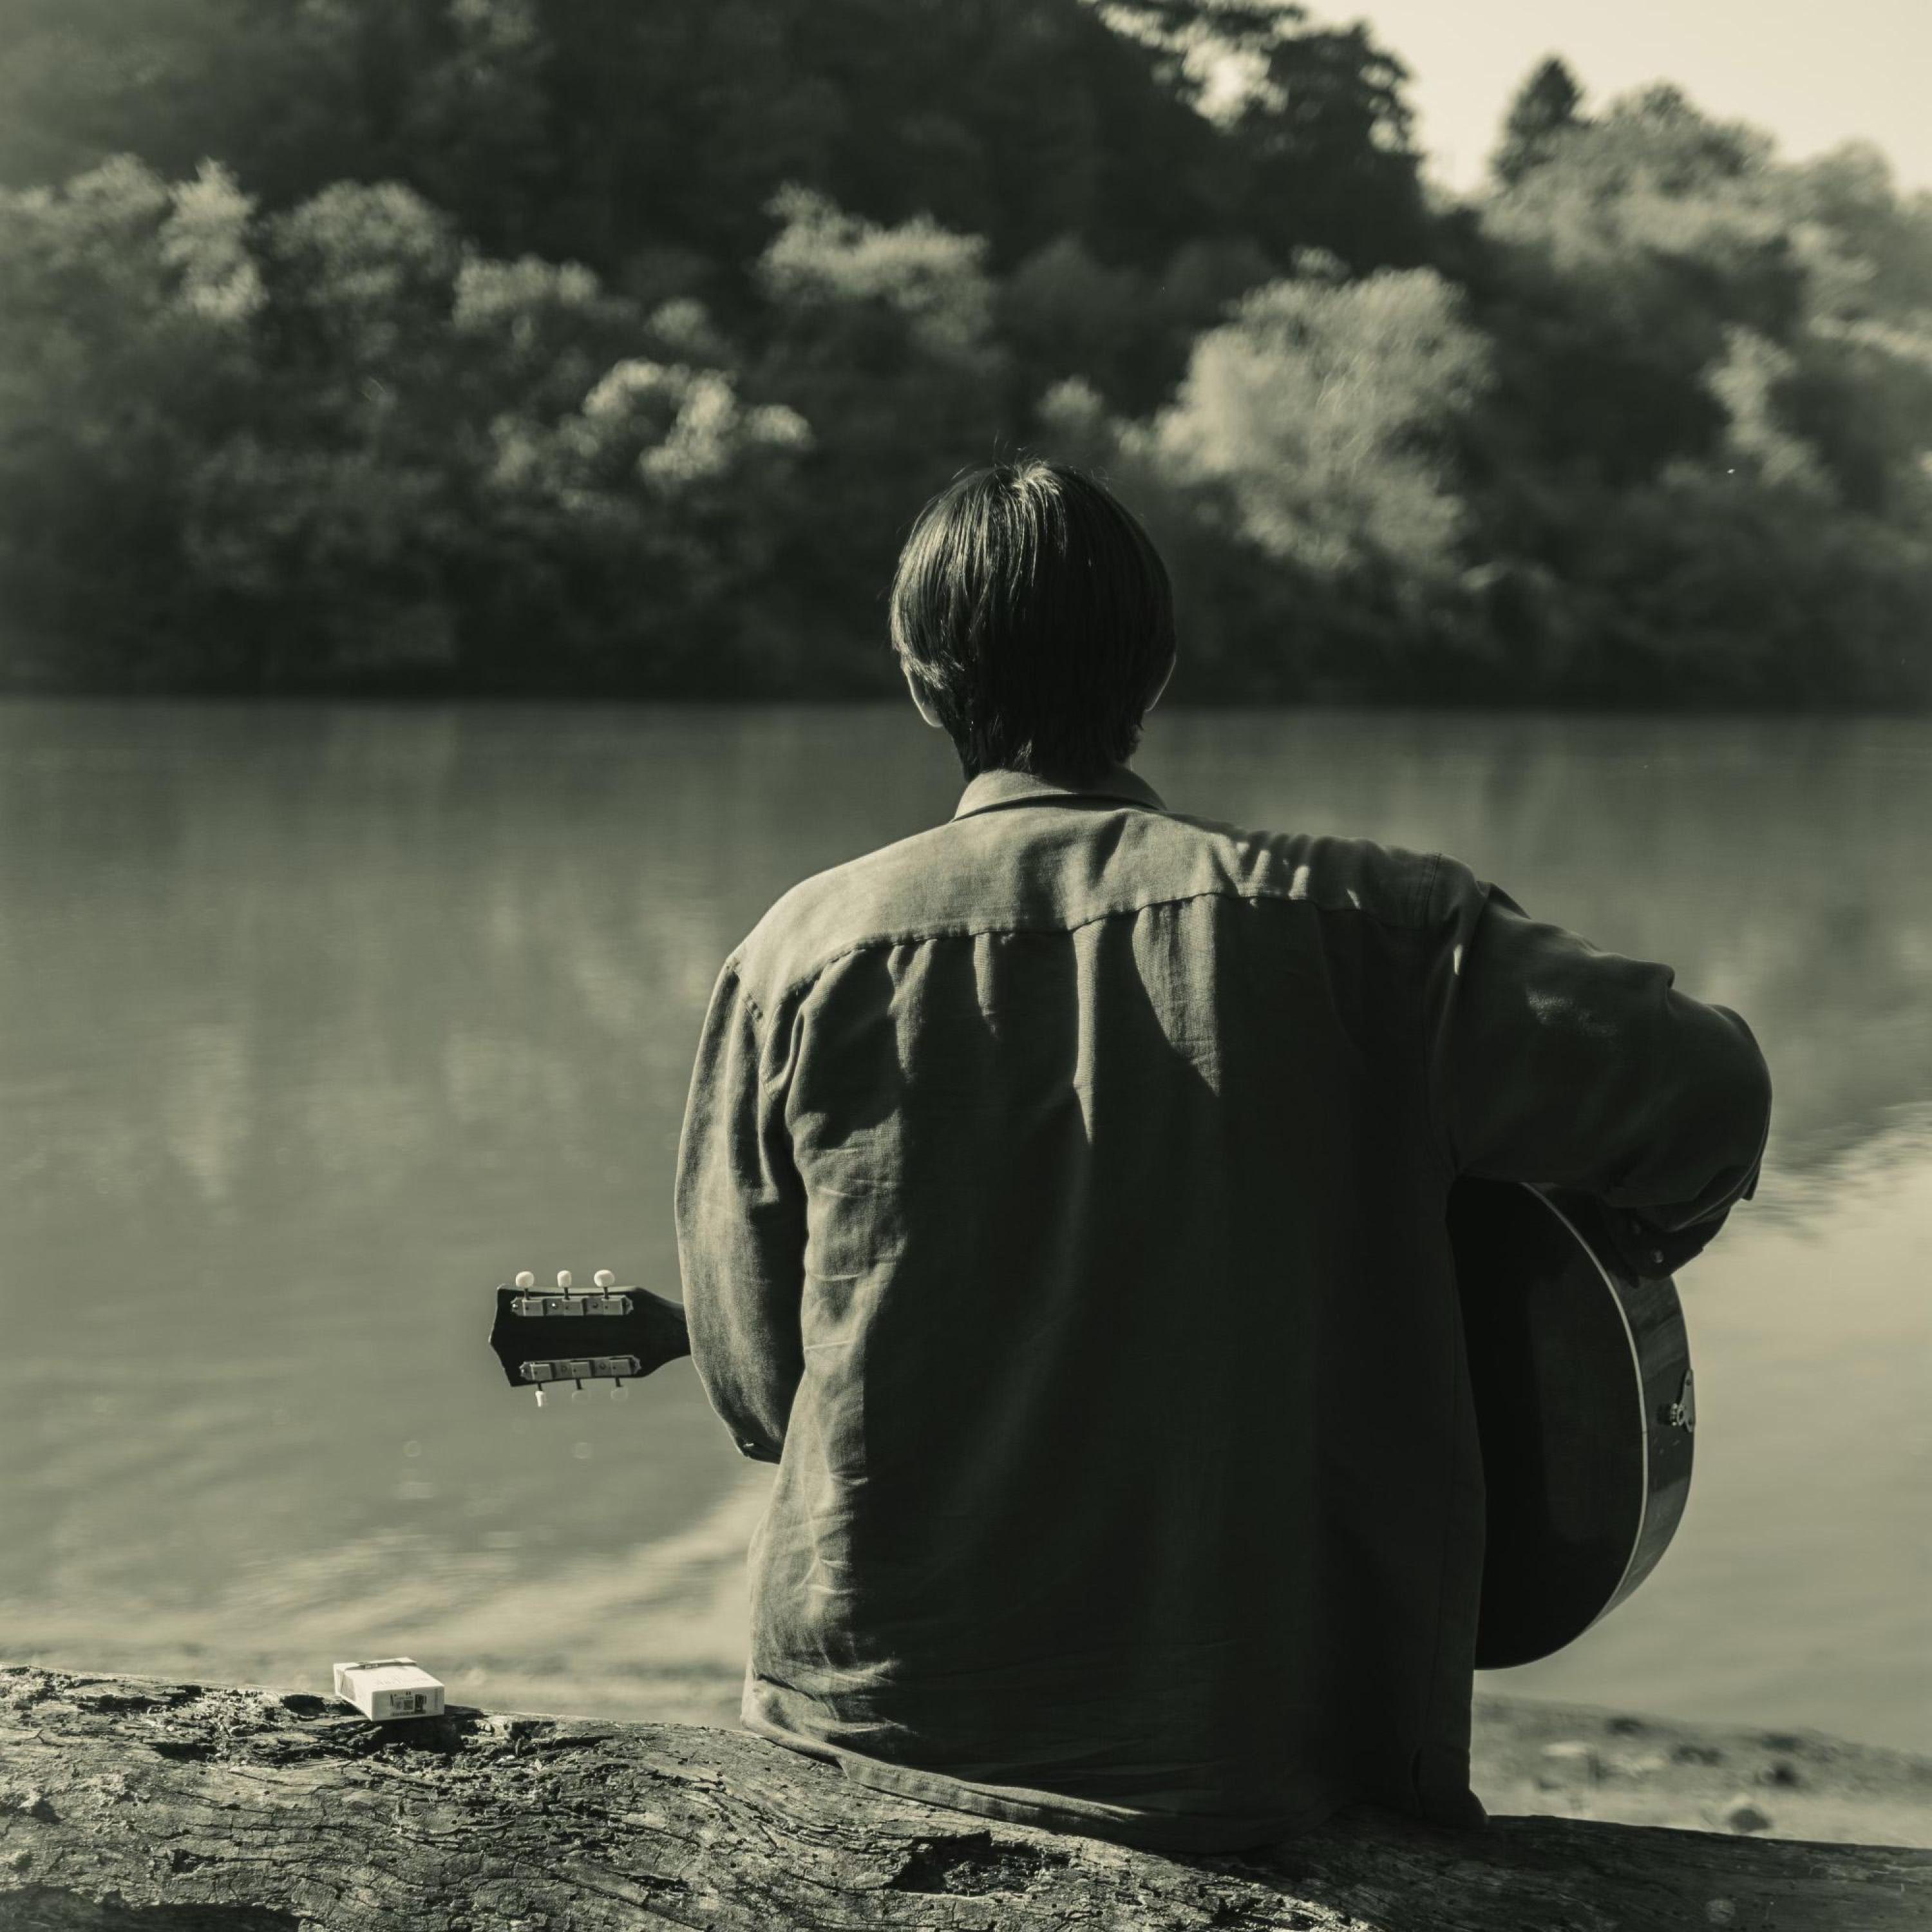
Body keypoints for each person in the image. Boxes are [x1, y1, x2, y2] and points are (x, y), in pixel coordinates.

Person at [672, 458, 1772, 1853]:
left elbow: (766, 1393)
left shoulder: (796, 960)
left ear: (918, 679)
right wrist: (1547, 1266)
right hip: (1264, 1769)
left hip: (865, 1744)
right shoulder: (1376, 931)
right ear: (1161, 665)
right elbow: (1712, 1096)